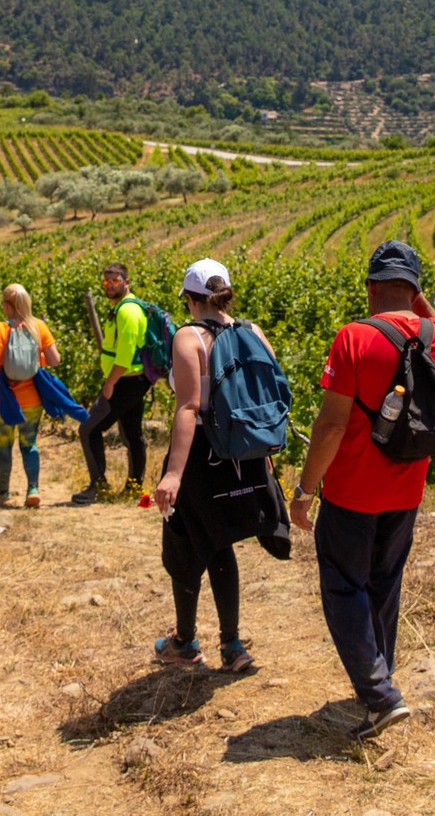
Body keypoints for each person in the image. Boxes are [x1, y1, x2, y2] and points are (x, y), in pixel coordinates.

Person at [289, 240, 435, 743]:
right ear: (416, 288)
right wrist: (416, 301)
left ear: (370, 287)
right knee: (384, 584)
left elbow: (332, 425)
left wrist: (304, 488)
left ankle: (381, 697)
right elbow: (430, 318)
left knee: (344, 587)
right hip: (406, 490)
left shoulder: (354, 338)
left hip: (352, 490)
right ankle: (379, 685)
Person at [150, 258, 291, 673]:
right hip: (244, 454)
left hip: (201, 456)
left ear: (192, 300)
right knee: (222, 540)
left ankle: (185, 641)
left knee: (183, 545)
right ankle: (232, 645)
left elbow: (189, 407)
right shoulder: (253, 331)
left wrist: (172, 474)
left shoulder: (188, 337)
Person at [72, 262, 152, 505]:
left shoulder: (127, 311)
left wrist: (109, 384)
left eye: (115, 280)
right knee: (132, 434)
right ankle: (133, 487)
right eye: (106, 281)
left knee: (89, 429)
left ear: (126, 282)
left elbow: (125, 356)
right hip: (134, 381)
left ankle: (98, 487)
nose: (109, 285)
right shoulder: (125, 307)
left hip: (125, 381)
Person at [0, 283, 61, 509]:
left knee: (3, 444)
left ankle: (3, 491)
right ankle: (33, 489)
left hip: (2, 400)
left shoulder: (1, 329)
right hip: (32, 400)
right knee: (30, 443)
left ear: (7, 305)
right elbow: (55, 360)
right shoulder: (39, 327)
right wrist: (37, 361)